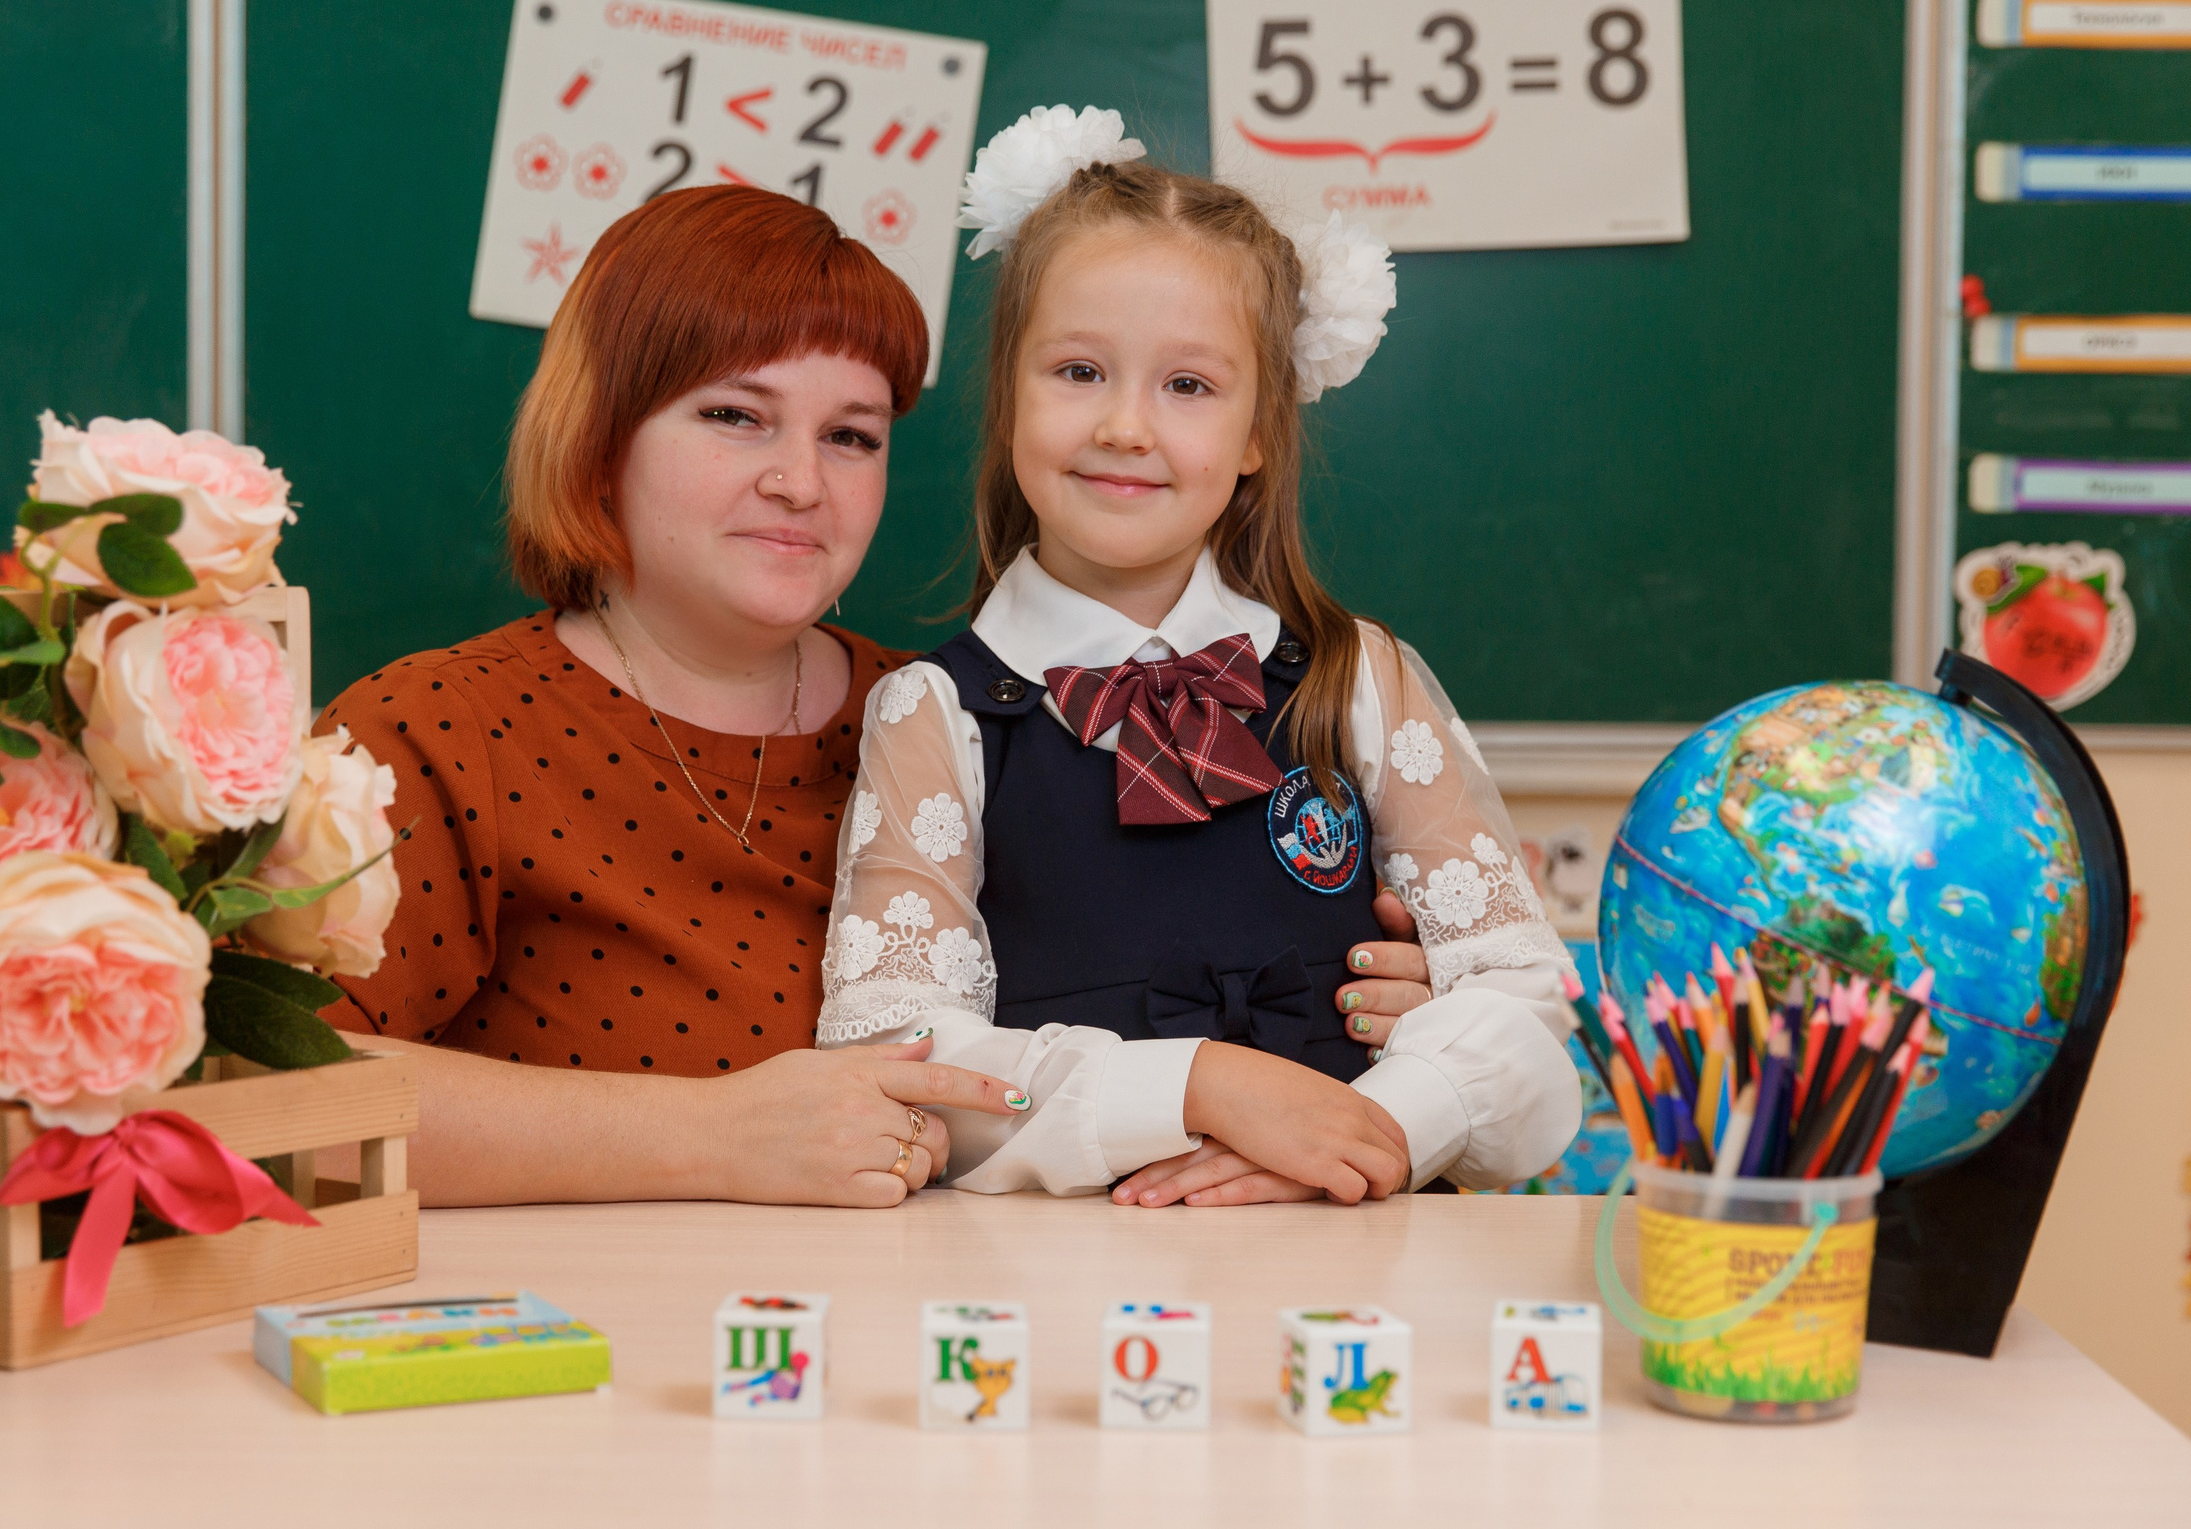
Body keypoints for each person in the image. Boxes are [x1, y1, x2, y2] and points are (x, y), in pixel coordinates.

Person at [818, 106, 1579, 1206]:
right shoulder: (934, 714)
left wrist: (1373, 1129)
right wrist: (1196, 1089)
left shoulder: (1356, 675)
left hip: (1361, 1260)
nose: (1126, 425)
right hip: (1067, 1285)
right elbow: (898, 1061)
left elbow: (1521, 1006)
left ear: (1259, 431)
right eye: (1078, 371)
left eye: (1188, 386)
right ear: (1008, 396)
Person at [316, 185, 1024, 1205]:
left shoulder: (947, 724)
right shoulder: (428, 734)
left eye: (851, 436)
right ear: (601, 440)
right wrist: (714, 1136)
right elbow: (257, 1096)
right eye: (735, 416)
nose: (799, 482)